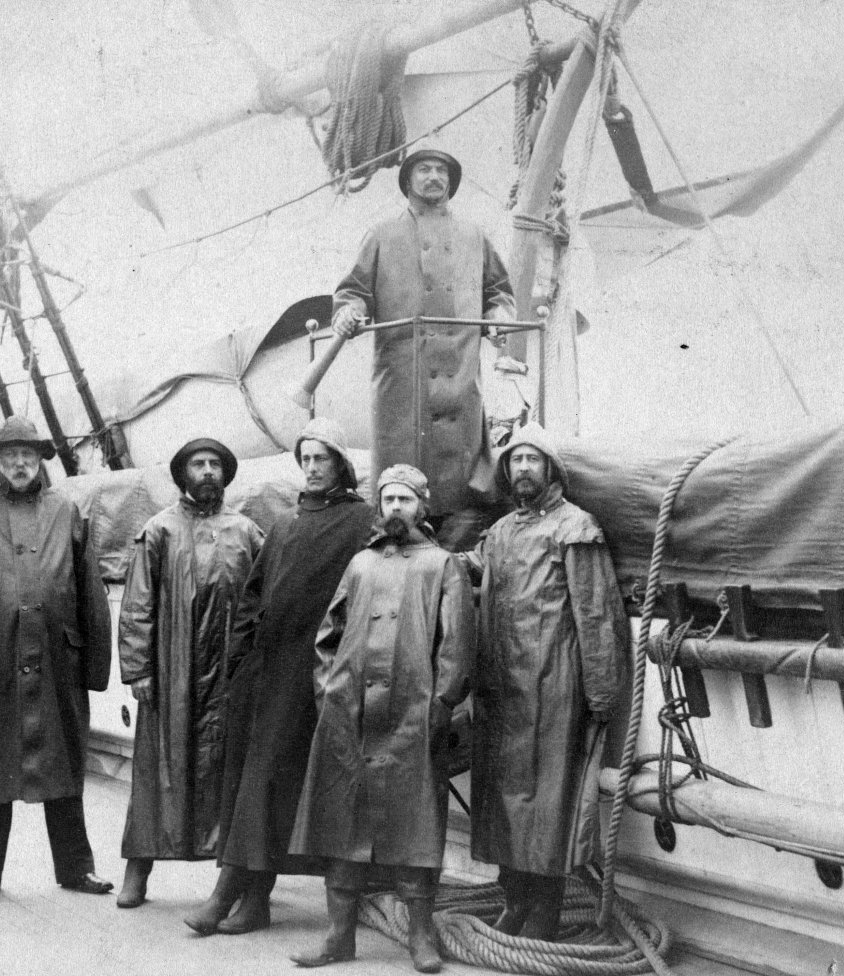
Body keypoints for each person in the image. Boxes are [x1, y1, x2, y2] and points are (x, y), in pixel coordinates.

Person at [184, 417, 375, 937]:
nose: (311, 468)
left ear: (340, 463)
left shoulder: (362, 522)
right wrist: (241, 661)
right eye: (305, 459)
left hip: (312, 675)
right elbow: (254, 593)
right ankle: (252, 900)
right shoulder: (287, 521)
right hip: (264, 674)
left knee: (269, 782)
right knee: (249, 782)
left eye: (321, 458)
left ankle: (231, 894)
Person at [288, 464, 473, 973]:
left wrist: (441, 703)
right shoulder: (360, 564)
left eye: (405, 499)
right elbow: (328, 635)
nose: (395, 507)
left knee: (416, 822)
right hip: (347, 712)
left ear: (422, 506)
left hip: (414, 712)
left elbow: (457, 644)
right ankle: (338, 936)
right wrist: (328, 692)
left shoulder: (442, 565)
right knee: (342, 820)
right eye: (388, 499)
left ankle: (420, 936)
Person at [0, 417, 114, 898]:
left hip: (57, 662)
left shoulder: (66, 512)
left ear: (39, 461)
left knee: (65, 763)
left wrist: (95, 664)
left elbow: (90, 591)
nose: (19, 464)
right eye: (10, 455)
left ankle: (77, 867)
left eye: (27, 455)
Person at [461, 422, 628, 940]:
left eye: (533, 459)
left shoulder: (576, 527)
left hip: (552, 689)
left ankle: (543, 913)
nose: (523, 468)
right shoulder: (501, 532)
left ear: (551, 469)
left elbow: (596, 613)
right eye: (516, 460)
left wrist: (601, 692)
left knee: (546, 806)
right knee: (501, 801)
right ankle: (514, 900)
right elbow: (472, 569)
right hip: (501, 689)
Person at [331, 148, 516, 551]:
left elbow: (499, 292)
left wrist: (499, 314)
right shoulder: (381, 235)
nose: (434, 176)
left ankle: (459, 555)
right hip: (403, 383)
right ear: (407, 180)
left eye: (441, 171)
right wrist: (349, 311)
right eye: (424, 169)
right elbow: (353, 291)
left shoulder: (475, 236)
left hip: (461, 378)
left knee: (464, 485)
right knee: (401, 478)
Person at [114, 438, 264, 908]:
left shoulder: (246, 532)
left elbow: (264, 599)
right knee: (156, 772)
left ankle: (240, 883)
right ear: (183, 475)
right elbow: (137, 604)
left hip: (229, 675)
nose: (207, 471)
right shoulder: (159, 530)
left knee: (230, 774)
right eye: (198, 464)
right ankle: (138, 870)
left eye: (215, 464)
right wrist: (139, 669)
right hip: (171, 671)